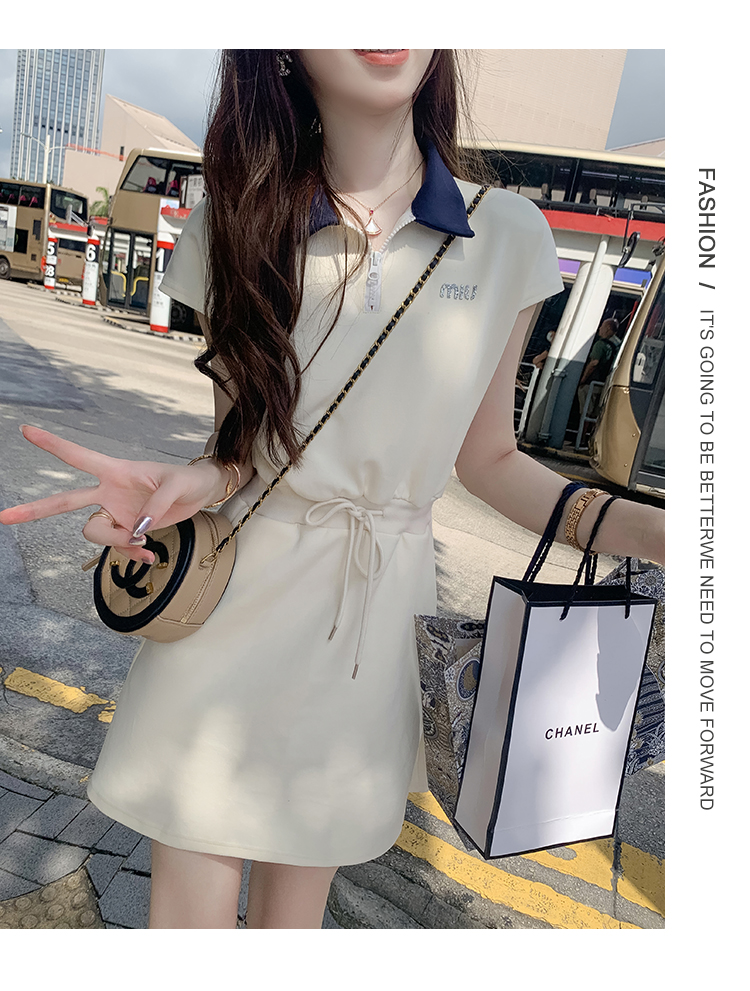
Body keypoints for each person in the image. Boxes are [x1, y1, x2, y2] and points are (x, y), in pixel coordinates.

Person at [0, 50, 664, 930]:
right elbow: (242, 448)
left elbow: (491, 459)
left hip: (369, 624)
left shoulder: (507, 233)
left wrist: (661, 532)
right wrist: (187, 481)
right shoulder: (235, 215)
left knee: (294, 925)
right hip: (230, 611)